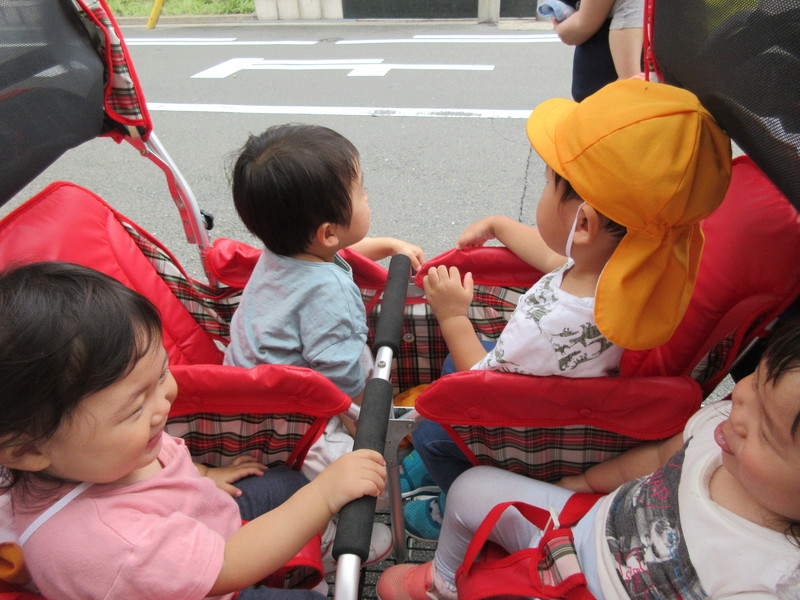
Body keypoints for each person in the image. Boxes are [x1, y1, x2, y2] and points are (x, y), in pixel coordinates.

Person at [401, 79, 733, 540]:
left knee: (432, 427)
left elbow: (481, 382)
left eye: (548, 183)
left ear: (585, 224)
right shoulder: (626, 271)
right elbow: (555, 259)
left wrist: (451, 313)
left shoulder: (555, 324)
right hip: (553, 377)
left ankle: (449, 504)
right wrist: (500, 224)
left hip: (522, 418)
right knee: (447, 366)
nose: (542, 191)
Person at [0, 261, 388, 600]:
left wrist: (204, 475)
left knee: (284, 481)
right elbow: (228, 566)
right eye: (137, 405)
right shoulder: (109, 544)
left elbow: (163, 467)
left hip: (198, 520)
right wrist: (325, 496)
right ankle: (324, 553)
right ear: (26, 450)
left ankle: (317, 541)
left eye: (162, 372)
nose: (165, 401)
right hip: (214, 579)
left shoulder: (97, 453)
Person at [377, 318, 800, 600]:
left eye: (766, 428)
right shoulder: (720, 430)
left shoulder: (768, 579)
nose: (739, 406)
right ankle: (445, 579)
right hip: (585, 525)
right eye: (754, 382)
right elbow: (656, 456)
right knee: (472, 488)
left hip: (596, 591)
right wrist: (581, 484)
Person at [224, 124, 424, 479]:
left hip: (245, 385)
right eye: (361, 192)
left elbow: (332, 250)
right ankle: (345, 526)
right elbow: (342, 381)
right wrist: (371, 425)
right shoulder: (330, 293)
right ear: (329, 231)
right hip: (295, 420)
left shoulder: (282, 251)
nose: (367, 198)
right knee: (359, 469)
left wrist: (388, 245)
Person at [540, 0, 642, 101]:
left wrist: (561, 29)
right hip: (611, 88)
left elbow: (581, 27)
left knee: (630, 82)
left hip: (615, 92)